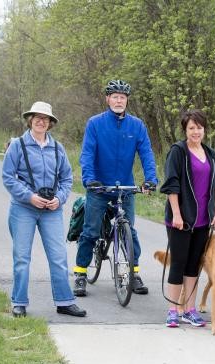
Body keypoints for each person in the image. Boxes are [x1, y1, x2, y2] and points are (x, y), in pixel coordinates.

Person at [2, 101, 86, 318]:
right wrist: (29, 197)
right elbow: (8, 177)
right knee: (22, 257)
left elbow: (67, 178)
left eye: (45, 118)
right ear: (30, 120)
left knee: (58, 256)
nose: (41, 121)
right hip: (23, 208)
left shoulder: (58, 148)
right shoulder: (17, 145)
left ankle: (64, 301)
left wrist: (59, 198)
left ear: (50, 123)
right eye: (37, 117)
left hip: (52, 210)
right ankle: (19, 302)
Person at [73, 80, 158, 297]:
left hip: (126, 187)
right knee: (91, 231)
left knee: (130, 229)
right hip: (99, 187)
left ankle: (134, 274)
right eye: (115, 96)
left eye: (122, 97)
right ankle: (81, 274)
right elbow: (88, 154)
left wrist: (150, 179)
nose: (119, 100)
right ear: (108, 99)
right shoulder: (95, 123)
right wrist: (90, 179)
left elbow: (146, 153)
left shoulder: (137, 125)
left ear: (127, 100)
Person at [160, 109, 215, 328]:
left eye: (199, 128)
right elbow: (171, 184)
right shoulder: (178, 151)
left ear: (205, 129)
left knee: (194, 265)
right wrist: (176, 213)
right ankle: (173, 310)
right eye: (191, 128)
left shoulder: (211, 154)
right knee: (178, 263)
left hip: (203, 219)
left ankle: (190, 309)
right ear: (185, 130)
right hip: (181, 218)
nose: (196, 132)